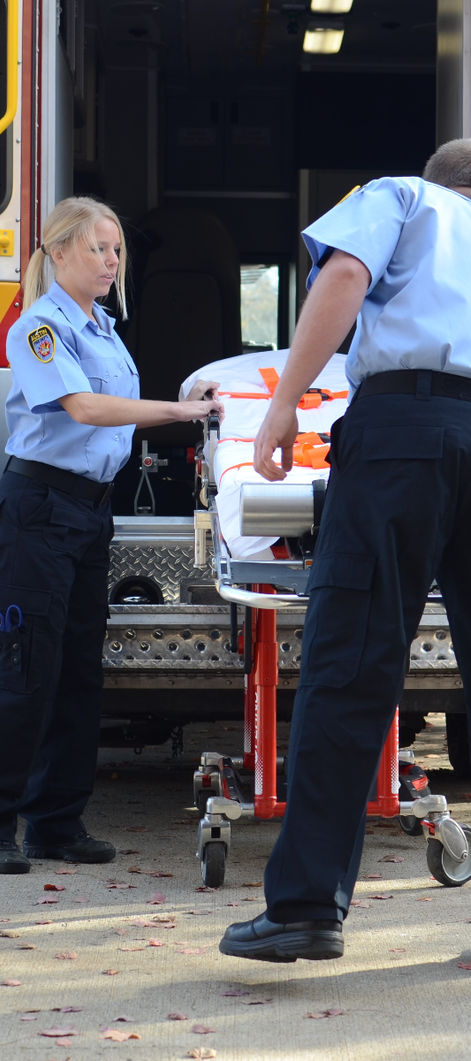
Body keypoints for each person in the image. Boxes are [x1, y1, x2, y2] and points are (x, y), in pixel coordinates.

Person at [219, 139, 471, 962]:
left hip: (405, 433)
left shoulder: (404, 197)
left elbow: (344, 278)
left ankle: (306, 906)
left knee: (353, 663)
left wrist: (285, 402)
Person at [0, 197, 224, 873]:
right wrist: (178, 409)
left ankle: (56, 823)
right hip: (38, 508)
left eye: (117, 250)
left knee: (78, 672)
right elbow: (84, 407)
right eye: (98, 249)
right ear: (60, 253)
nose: (111, 261)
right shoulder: (41, 327)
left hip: (86, 512)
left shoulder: (102, 327)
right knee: (20, 672)